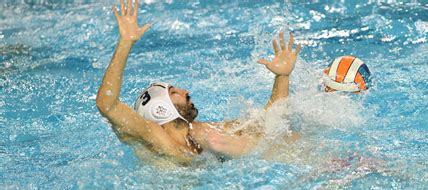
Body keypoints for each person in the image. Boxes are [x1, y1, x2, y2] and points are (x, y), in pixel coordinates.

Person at [96, 0, 301, 164]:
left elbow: (271, 123)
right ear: (161, 110)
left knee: (288, 139)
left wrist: (282, 77)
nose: (186, 91)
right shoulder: (154, 138)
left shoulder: (200, 132)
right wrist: (125, 43)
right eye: (175, 92)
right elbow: (107, 105)